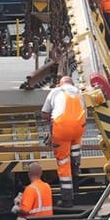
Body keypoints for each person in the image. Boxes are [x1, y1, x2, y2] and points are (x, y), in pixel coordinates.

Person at [41, 74, 87, 207]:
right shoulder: (79, 92)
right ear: (72, 84)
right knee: (75, 155)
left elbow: (44, 113)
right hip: (79, 128)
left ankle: (67, 199)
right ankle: (76, 174)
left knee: (63, 162)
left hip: (61, 128)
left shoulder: (55, 91)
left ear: (60, 84)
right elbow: (84, 111)